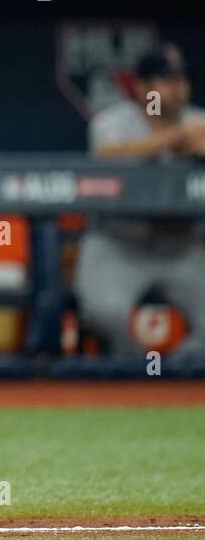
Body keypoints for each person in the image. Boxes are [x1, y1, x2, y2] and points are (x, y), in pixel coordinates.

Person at [74, 44, 205, 355]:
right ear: (142, 86)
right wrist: (170, 140)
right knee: (104, 311)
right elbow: (106, 156)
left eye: (181, 79)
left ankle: (175, 371)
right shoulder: (113, 123)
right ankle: (138, 370)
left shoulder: (198, 121)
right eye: (165, 80)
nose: (176, 88)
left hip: (180, 248)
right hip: (119, 245)